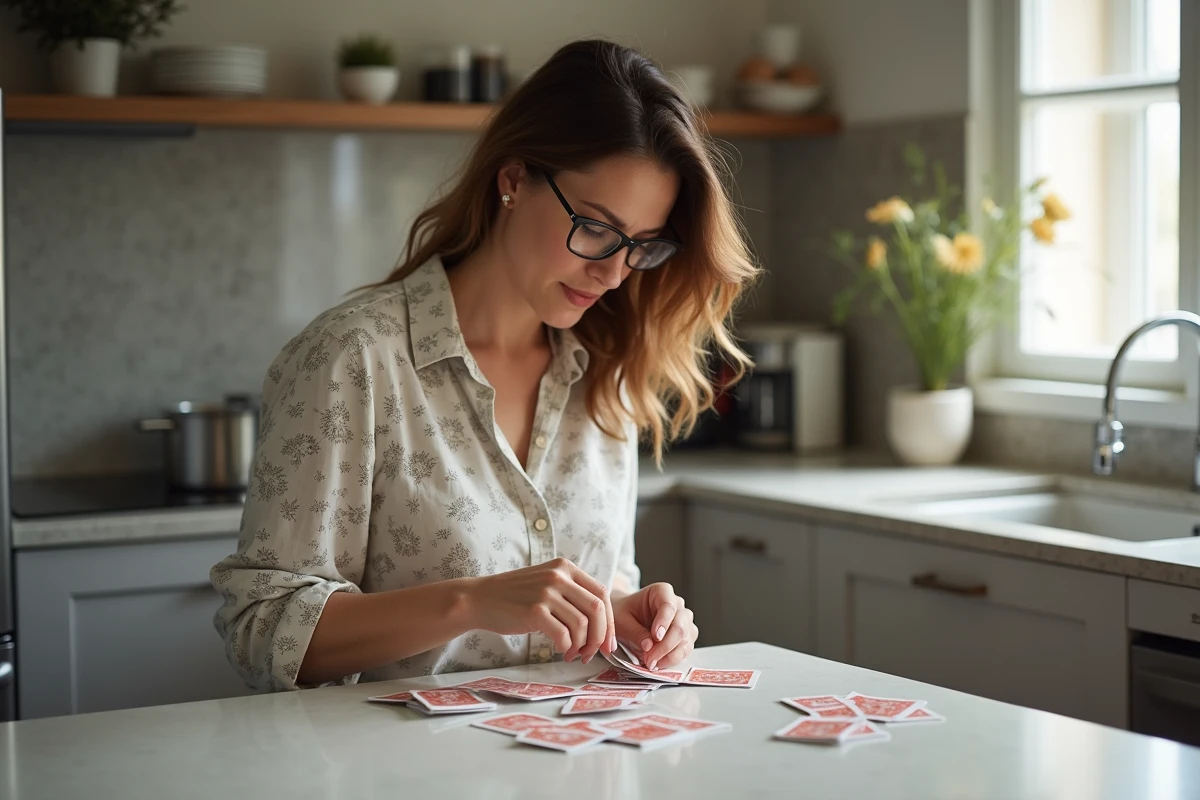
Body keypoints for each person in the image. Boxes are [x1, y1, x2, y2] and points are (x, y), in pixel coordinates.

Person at [210, 38, 758, 691]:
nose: (613, 273)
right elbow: (263, 629)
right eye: (595, 228)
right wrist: (470, 602)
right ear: (513, 180)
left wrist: (623, 614)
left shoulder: (605, 373)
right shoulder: (352, 360)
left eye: (642, 245)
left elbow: (590, 584)